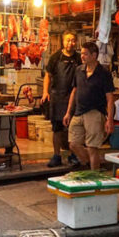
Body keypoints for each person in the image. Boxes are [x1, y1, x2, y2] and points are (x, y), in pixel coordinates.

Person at [63, 42, 115, 171]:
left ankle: (94, 174)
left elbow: (110, 98)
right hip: (78, 112)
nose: (82, 56)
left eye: (85, 54)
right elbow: (74, 92)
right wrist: (68, 112)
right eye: (82, 54)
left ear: (94, 55)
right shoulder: (79, 70)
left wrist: (110, 119)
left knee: (92, 147)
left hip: (95, 113)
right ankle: (92, 163)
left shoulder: (103, 73)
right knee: (73, 144)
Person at [42, 30, 83, 168]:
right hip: (57, 97)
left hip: (74, 97)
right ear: (63, 41)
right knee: (57, 129)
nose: (69, 43)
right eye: (67, 40)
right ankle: (56, 156)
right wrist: (45, 92)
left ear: (75, 42)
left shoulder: (79, 58)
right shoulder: (55, 58)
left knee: (74, 129)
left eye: (72, 40)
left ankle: (74, 155)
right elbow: (47, 75)